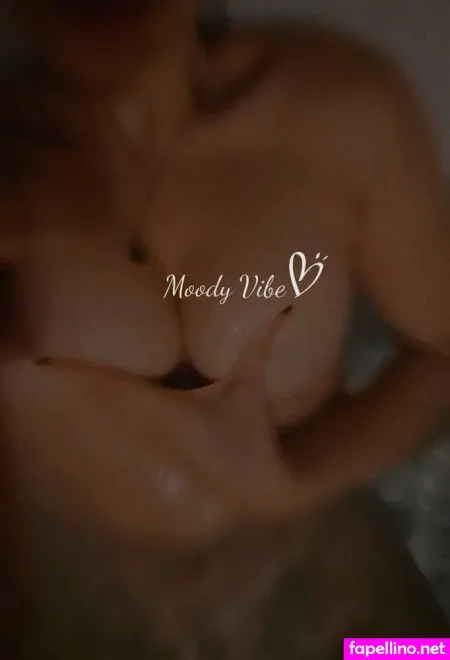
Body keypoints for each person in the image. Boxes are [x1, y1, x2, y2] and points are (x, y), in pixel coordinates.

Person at [1, 0, 449, 656]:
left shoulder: (338, 110)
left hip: (326, 585)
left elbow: (441, 352)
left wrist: (298, 483)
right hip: (92, 602)